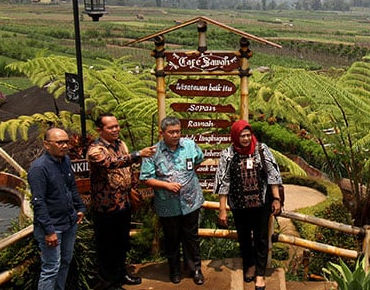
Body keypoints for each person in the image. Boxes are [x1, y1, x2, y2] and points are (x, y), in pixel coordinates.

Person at [86, 113, 157, 290]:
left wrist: (133, 187)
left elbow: (128, 170)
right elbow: (111, 163)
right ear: (99, 130)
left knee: (122, 242)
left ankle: (122, 274)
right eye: (111, 127)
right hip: (106, 206)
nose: (116, 129)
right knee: (107, 245)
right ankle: (109, 282)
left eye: (117, 126)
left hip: (123, 203)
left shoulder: (120, 144)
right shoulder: (95, 150)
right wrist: (138, 154)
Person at [214, 119, 282, 290]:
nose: (245, 139)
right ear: (235, 136)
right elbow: (223, 182)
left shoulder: (261, 149)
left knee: (260, 238)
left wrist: (276, 199)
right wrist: (222, 209)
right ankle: (249, 265)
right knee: (244, 238)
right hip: (239, 205)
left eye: (247, 135)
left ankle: (260, 274)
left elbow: (273, 175)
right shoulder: (228, 154)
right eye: (242, 136)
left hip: (261, 204)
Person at [140, 116, 205, 285]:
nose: (176, 135)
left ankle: (195, 269)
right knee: (172, 238)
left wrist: (187, 179)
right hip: (167, 204)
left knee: (191, 237)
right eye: (171, 132)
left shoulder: (190, 146)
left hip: (191, 201)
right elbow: (146, 178)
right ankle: (175, 270)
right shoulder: (152, 152)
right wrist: (165, 185)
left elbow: (198, 159)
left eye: (178, 131)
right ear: (162, 133)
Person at [28, 127, 86, 290]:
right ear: (47, 145)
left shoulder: (65, 161)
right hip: (52, 227)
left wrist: (80, 207)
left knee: (65, 262)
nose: (65, 146)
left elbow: (71, 187)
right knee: (51, 268)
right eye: (59, 142)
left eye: (66, 142)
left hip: (69, 222)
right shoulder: (39, 169)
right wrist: (49, 230)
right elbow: (38, 202)